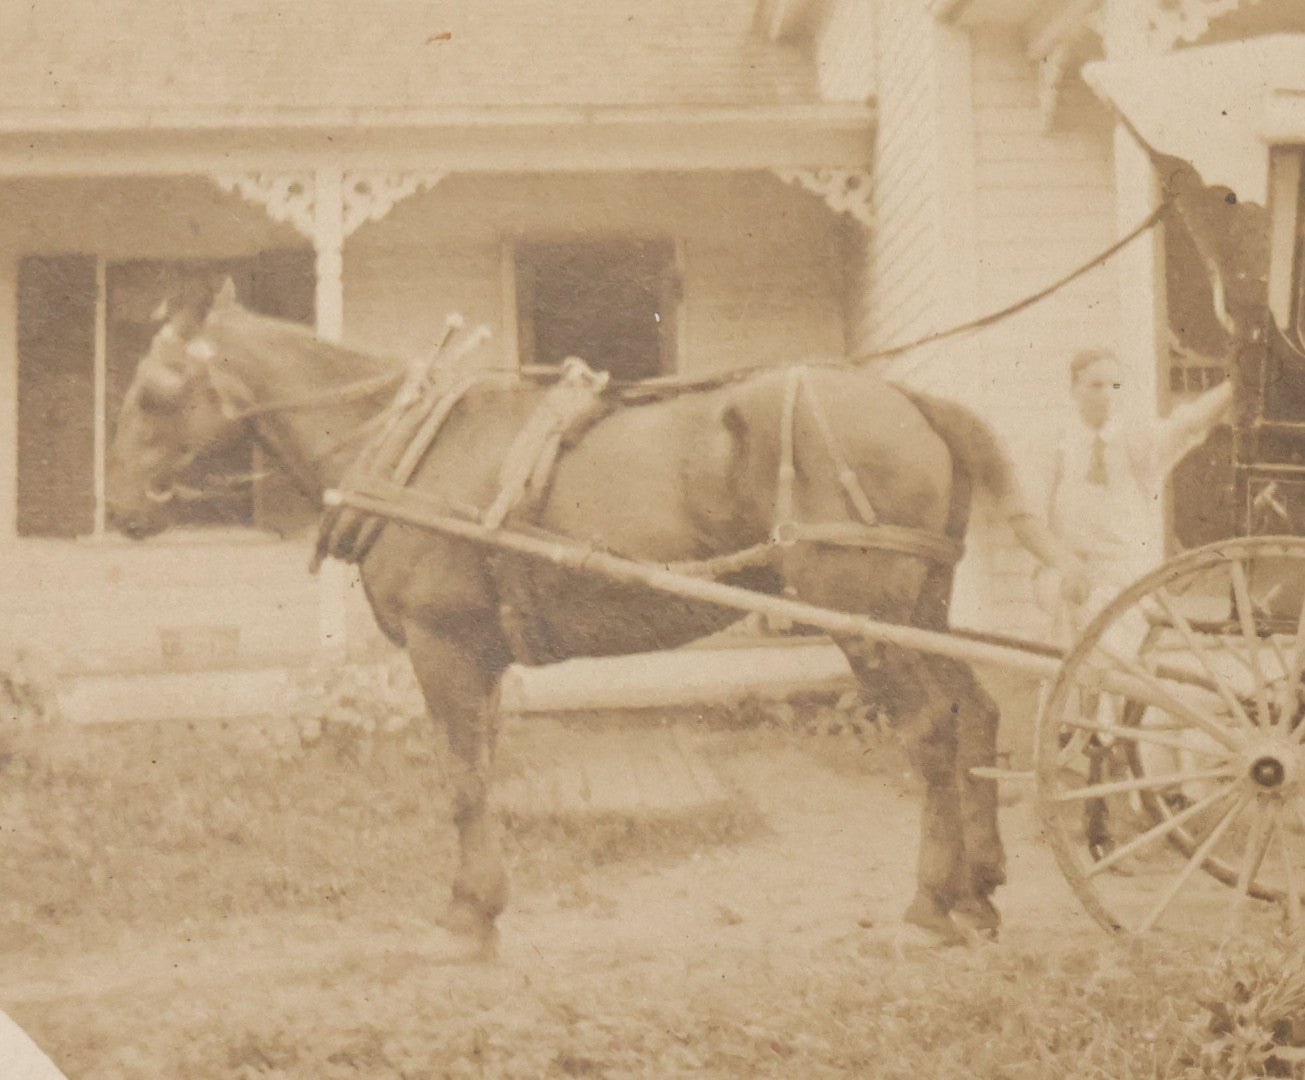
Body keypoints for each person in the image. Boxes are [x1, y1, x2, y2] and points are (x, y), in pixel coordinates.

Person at [1035, 347, 1233, 642]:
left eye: (1115, 386)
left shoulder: (1137, 440)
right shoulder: (1058, 446)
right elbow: (1035, 518)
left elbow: (1189, 424)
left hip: (1123, 580)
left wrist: (1235, 385)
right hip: (1070, 577)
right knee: (1065, 655)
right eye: (1096, 385)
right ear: (1075, 389)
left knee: (1110, 657)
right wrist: (1061, 564)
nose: (1107, 394)